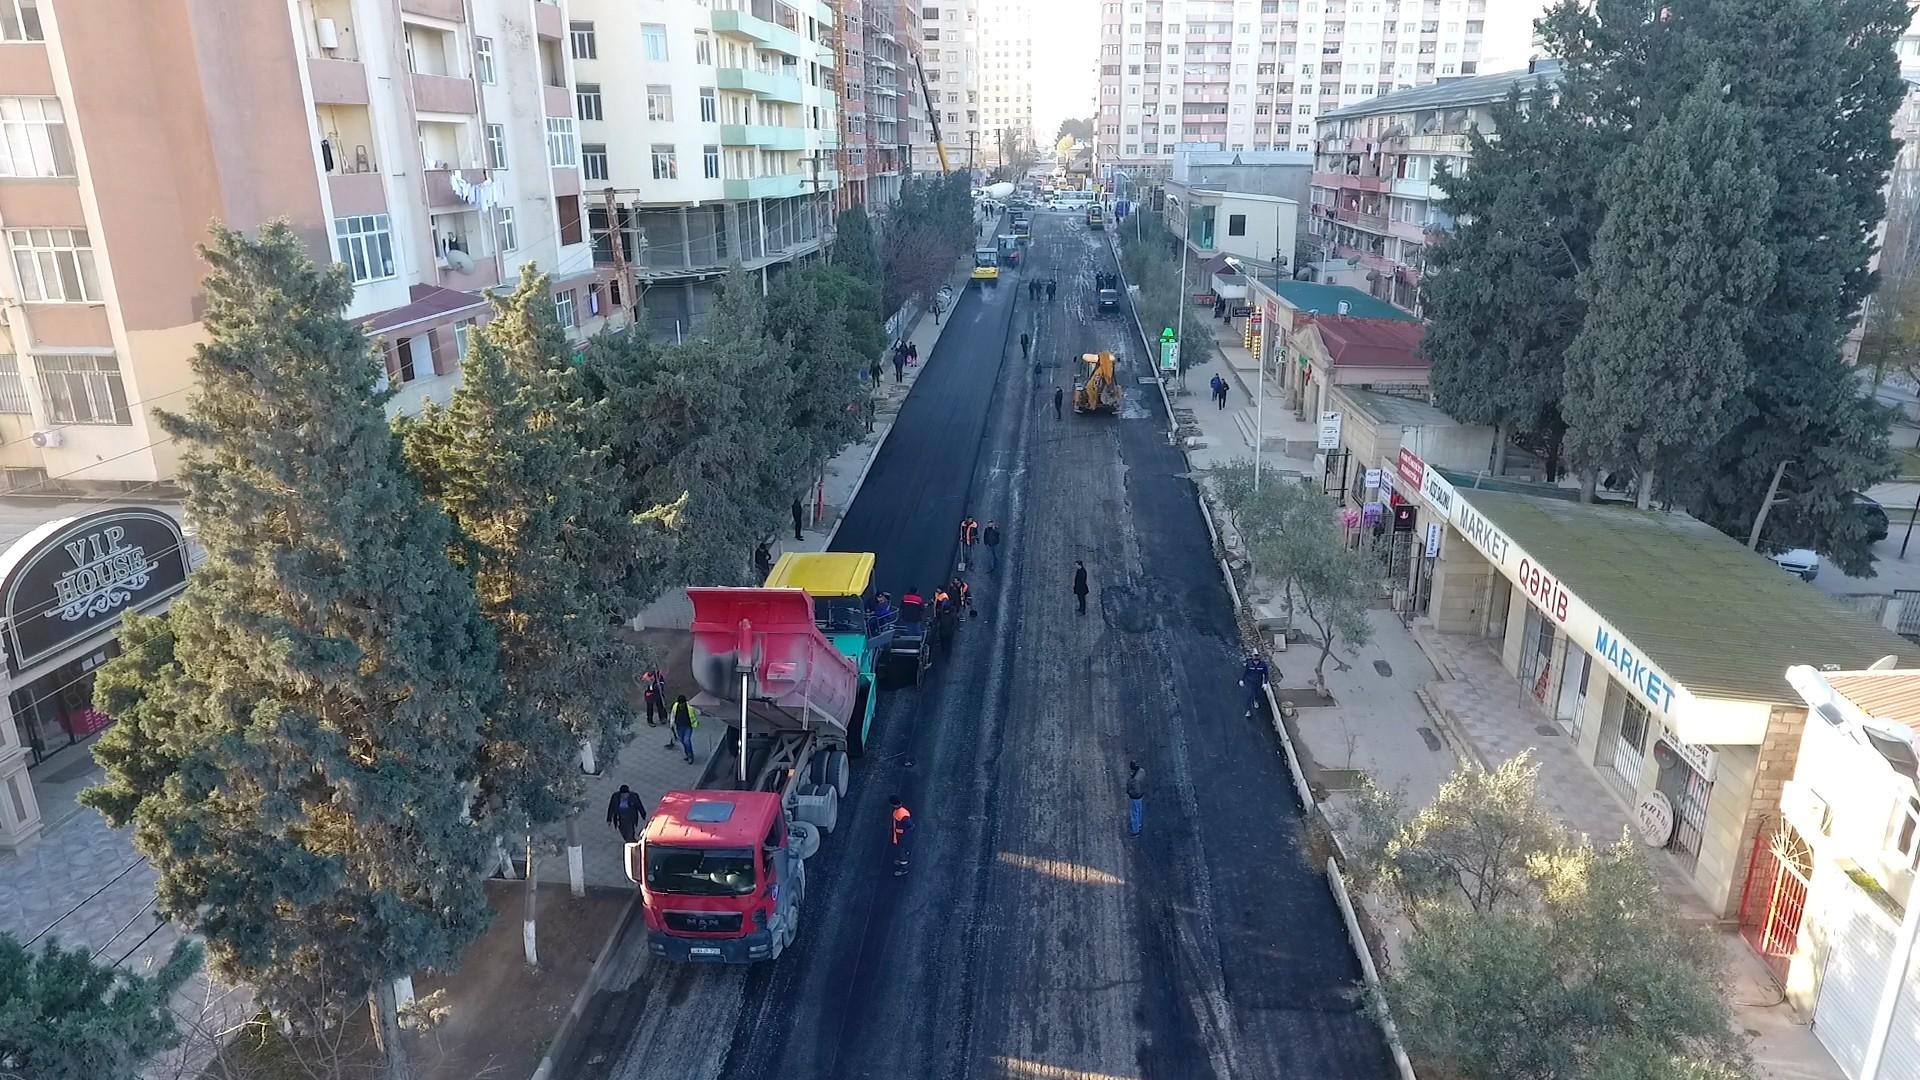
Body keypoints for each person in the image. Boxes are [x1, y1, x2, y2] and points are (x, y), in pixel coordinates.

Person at [1240, 649, 1272, 718]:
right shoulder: (1249, 664)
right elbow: (1245, 672)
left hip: (1258, 681)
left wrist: (1265, 683)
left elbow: (1266, 674)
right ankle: (1248, 710)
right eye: (1255, 661)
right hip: (1250, 682)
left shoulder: (1263, 665)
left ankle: (1255, 700)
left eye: (1257, 661)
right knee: (1250, 695)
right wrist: (1242, 680)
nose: (1256, 662)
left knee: (1256, 693)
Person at [889, 795, 916, 877]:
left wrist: (904, 834)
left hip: (903, 837)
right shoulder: (901, 811)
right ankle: (901, 861)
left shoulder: (901, 814)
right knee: (901, 851)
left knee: (903, 852)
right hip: (901, 836)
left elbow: (910, 826)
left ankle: (904, 869)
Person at [669, 694, 699, 764]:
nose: (681, 705)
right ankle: (687, 754)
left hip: (688, 727)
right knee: (683, 741)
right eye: (680, 704)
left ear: (685, 702)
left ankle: (690, 756)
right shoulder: (675, 706)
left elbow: (697, 712)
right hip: (679, 727)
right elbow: (673, 715)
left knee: (686, 741)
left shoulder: (690, 707)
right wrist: (671, 724)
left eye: (682, 704)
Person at [1125, 761, 1146, 837]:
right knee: (1139, 810)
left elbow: (1135, 791)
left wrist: (1129, 792)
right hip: (1141, 795)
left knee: (1134, 813)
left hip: (1135, 797)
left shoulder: (1134, 780)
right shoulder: (1141, 771)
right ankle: (1139, 825)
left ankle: (1135, 831)